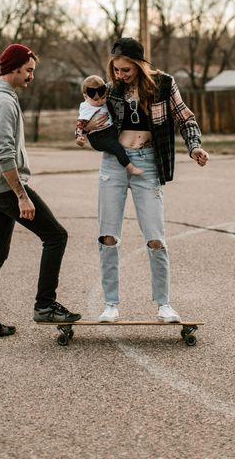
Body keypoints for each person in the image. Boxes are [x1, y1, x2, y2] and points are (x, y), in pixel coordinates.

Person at [85, 37, 209, 323]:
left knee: (155, 237)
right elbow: (91, 117)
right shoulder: (111, 89)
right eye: (116, 70)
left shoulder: (164, 84)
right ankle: (111, 305)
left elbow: (185, 117)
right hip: (114, 164)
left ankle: (164, 305)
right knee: (108, 235)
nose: (120, 75)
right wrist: (87, 127)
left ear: (140, 65)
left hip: (148, 164)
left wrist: (195, 146)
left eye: (126, 70)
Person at [0, 43, 81, 339]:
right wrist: (22, 195)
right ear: (15, 68)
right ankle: (45, 306)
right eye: (29, 70)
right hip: (5, 188)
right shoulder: (4, 103)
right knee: (55, 236)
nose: (32, 76)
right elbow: (4, 153)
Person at [75, 75, 143, 176]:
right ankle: (130, 167)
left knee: (120, 143)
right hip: (98, 137)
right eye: (96, 99)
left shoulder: (104, 103)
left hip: (109, 130)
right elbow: (80, 124)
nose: (100, 101)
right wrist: (79, 137)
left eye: (103, 98)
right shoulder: (87, 108)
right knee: (117, 148)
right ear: (85, 96)